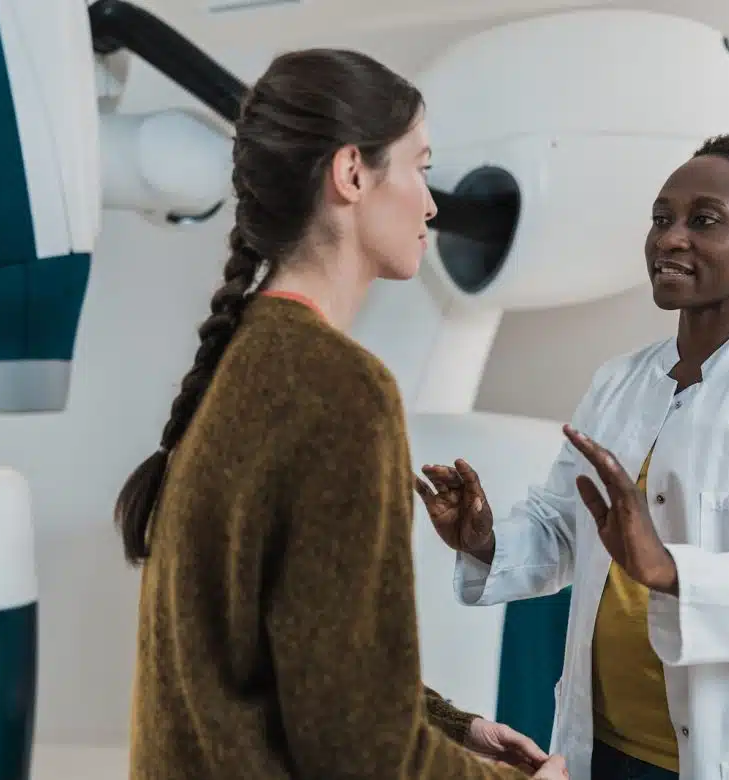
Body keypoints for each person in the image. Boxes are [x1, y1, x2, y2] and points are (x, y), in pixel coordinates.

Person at [114, 47, 569, 780]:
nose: (430, 202)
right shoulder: (343, 391)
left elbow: (309, 667)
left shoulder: (244, 361)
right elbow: (362, 754)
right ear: (352, 173)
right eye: (420, 166)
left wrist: (460, 727)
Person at [416, 132, 729, 780]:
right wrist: (484, 540)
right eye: (661, 218)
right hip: (600, 749)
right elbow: (561, 530)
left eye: (704, 221)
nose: (669, 238)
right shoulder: (619, 382)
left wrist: (672, 571)